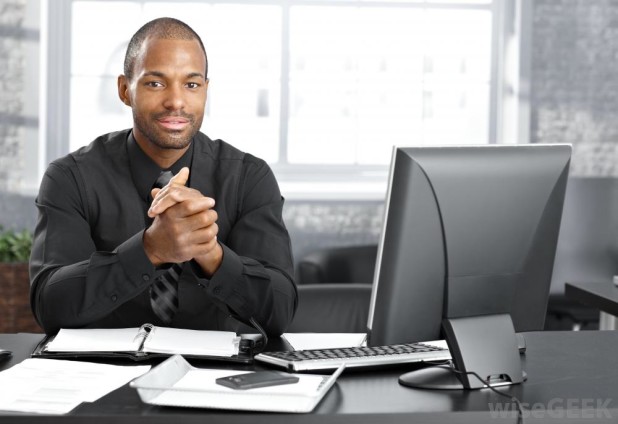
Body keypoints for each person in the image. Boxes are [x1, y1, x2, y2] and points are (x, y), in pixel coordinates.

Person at [29, 17, 297, 337]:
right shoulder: (70, 178)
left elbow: (280, 312)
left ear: (205, 91)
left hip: (215, 377)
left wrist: (209, 252)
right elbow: (49, 305)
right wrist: (150, 250)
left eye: (191, 84)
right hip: (102, 374)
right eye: (155, 83)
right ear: (125, 90)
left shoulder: (248, 178)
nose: (176, 101)